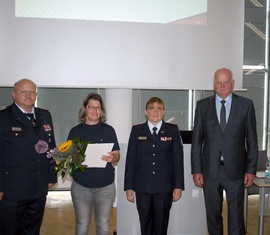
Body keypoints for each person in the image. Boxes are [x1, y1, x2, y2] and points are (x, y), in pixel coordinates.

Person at [191, 68, 258, 235]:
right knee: (213, 215)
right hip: (210, 171)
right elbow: (197, 142)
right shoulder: (202, 106)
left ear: (232, 83)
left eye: (226, 82)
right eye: (218, 82)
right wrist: (196, 170)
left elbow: (252, 141)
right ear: (214, 84)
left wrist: (251, 170)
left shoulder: (246, 105)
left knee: (236, 217)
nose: (222, 86)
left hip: (236, 172)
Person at [0, 79, 57, 235]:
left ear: (36, 94)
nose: (28, 95)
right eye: (23, 91)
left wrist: (52, 175)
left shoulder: (45, 115)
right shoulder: (3, 117)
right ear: (14, 94)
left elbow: (51, 147)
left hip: (38, 188)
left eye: (32, 92)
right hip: (12, 189)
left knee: (32, 231)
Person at [124, 97, 184, 235]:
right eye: (152, 108)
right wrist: (129, 186)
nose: (155, 111)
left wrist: (178, 186)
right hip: (142, 187)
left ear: (163, 112)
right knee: (145, 224)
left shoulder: (172, 130)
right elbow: (131, 159)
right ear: (146, 111)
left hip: (164, 187)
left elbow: (178, 160)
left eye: (159, 108)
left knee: (161, 225)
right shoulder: (137, 130)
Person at [67, 93, 120, 235]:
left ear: (101, 110)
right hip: (81, 187)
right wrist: (73, 158)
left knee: (103, 224)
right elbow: (69, 158)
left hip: (105, 187)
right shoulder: (75, 131)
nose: (95, 111)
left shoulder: (109, 130)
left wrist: (113, 158)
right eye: (91, 107)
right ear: (85, 108)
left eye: (98, 108)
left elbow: (117, 155)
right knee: (82, 224)